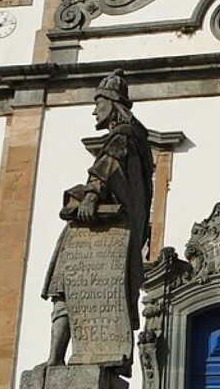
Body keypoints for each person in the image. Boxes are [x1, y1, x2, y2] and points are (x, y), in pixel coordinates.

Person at [42, 69, 154, 370]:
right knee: (67, 288)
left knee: (66, 288)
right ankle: (56, 357)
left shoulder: (124, 136)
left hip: (104, 232)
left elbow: (109, 164)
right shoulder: (134, 138)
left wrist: (91, 195)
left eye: (98, 102)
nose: (94, 109)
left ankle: (56, 357)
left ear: (112, 103)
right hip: (102, 235)